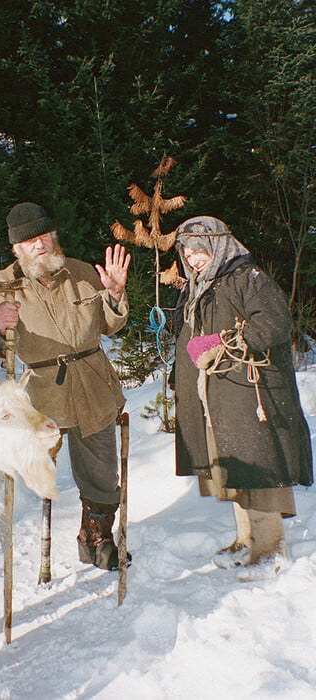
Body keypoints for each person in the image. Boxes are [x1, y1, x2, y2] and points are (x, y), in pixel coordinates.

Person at [0, 202, 131, 570]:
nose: (39, 244)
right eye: (29, 240)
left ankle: (96, 536)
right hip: (43, 392)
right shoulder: (6, 282)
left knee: (101, 466)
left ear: (54, 235)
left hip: (93, 383)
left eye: (44, 235)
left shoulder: (80, 272)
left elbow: (111, 325)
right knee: (39, 469)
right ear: (16, 248)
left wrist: (114, 295)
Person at [171, 215, 313, 576]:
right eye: (187, 250)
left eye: (200, 249)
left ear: (218, 246)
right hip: (217, 394)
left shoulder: (246, 279)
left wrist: (222, 342)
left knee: (258, 469)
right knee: (232, 466)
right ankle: (245, 538)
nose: (193, 257)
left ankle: (270, 550)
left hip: (252, 394)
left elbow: (275, 323)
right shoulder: (199, 287)